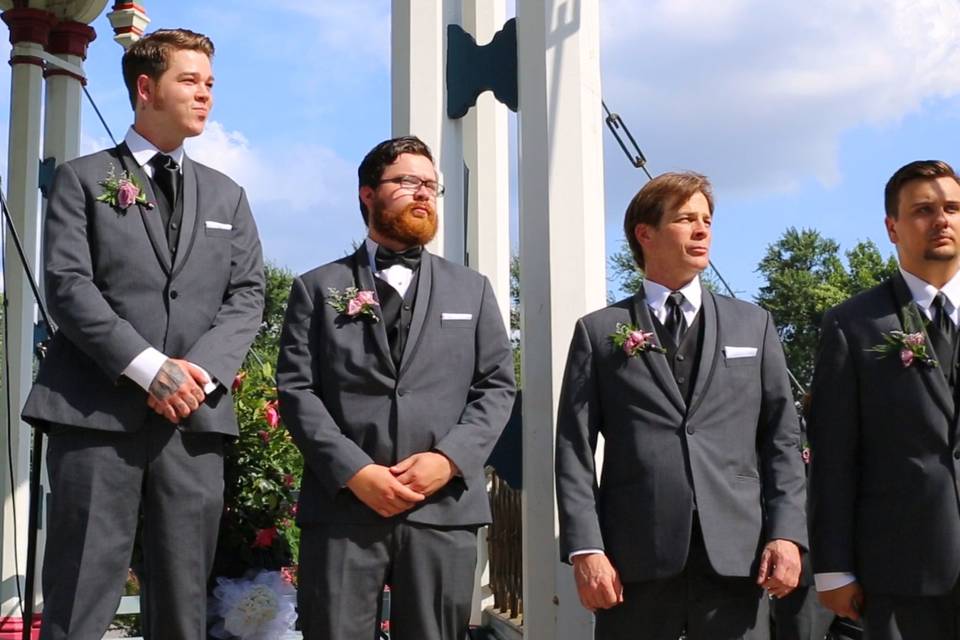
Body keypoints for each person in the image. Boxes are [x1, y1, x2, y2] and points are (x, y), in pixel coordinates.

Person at [22, 29, 264, 639]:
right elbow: (69, 287)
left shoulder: (228, 197)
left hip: (194, 423)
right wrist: (149, 367)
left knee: (185, 601)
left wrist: (195, 374)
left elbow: (247, 296)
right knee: (80, 593)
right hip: (96, 414)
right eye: (190, 81)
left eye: (210, 83)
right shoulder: (83, 180)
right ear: (145, 88)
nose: (205, 94)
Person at [276, 136, 515, 640]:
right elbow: (298, 391)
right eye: (408, 182)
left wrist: (447, 460)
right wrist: (355, 471)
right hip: (343, 507)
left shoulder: (472, 290)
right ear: (368, 193)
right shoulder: (317, 289)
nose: (423, 193)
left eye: (431, 184)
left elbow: (495, 388)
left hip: (442, 509)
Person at [554, 171, 807, 640]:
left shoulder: (754, 326)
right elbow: (573, 448)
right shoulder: (599, 331)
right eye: (686, 218)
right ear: (645, 234)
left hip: (739, 556)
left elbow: (782, 439)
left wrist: (788, 533)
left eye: (707, 219)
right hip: (634, 561)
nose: (701, 229)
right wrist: (586, 548)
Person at [808, 160, 960, 639]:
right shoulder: (853, 324)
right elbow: (833, 455)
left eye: (953, 207)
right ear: (892, 227)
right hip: (899, 570)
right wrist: (833, 568)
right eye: (923, 210)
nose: (942, 219)